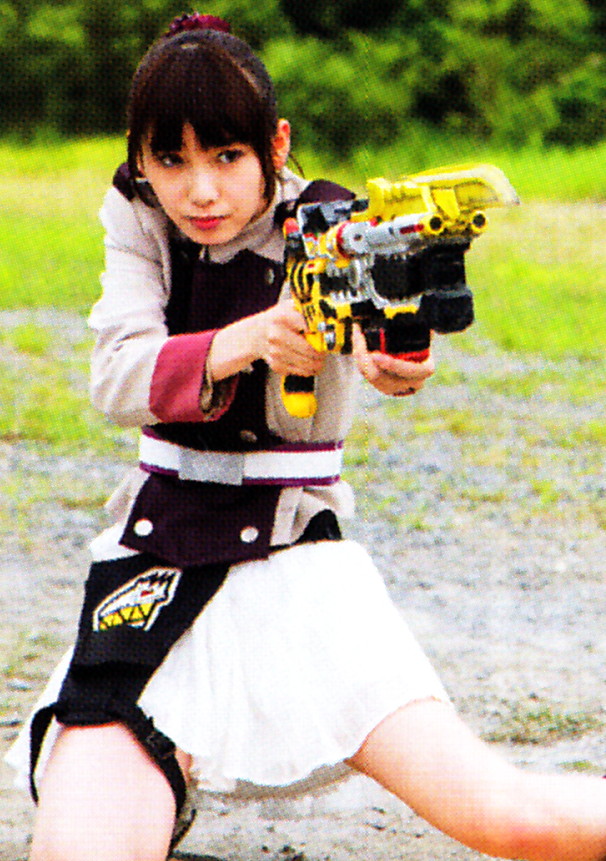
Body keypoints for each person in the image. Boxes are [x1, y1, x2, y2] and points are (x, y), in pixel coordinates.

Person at [6, 13, 606, 861]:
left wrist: (394, 354)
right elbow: (116, 375)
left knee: (510, 818)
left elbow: (386, 344)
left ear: (275, 145)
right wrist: (248, 339)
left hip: (296, 563)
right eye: (170, 160)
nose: (200, 191)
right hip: (155, 561)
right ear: (139, 159)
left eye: (227, 156)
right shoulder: (138, 219)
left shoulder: (328, 227)